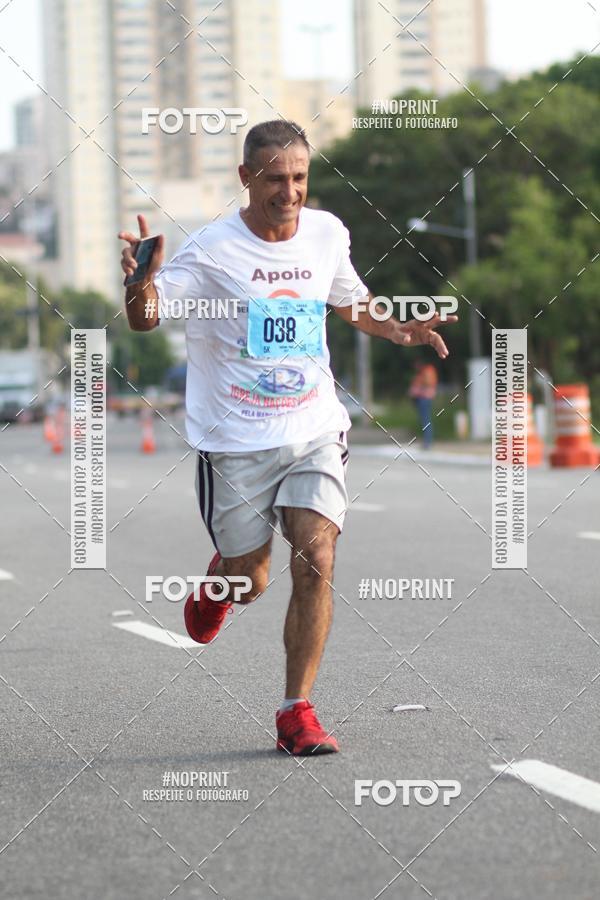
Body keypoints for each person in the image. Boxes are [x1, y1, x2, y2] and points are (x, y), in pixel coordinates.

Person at [118, 120, 457, 755]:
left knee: (317, 557)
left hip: (314, 427)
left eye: (299, 177)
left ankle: (295, 709)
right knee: (253, 579)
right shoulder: (213, 250)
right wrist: (138, 281)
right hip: (236, 440)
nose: (289, 191)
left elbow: (351, 302)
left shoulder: (327, 234)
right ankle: (225, 579)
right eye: (275, 178)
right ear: (246, 178)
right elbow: (148, 319)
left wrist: (401, 329)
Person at [409, 359, 438, 448]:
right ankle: (427, 441)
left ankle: (427, 442)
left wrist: (417, 389)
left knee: (426, 420)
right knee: (425, 421)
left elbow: (427, 384)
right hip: (422, 398)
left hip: (424, 398)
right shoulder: (423, 372)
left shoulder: (427, 371)